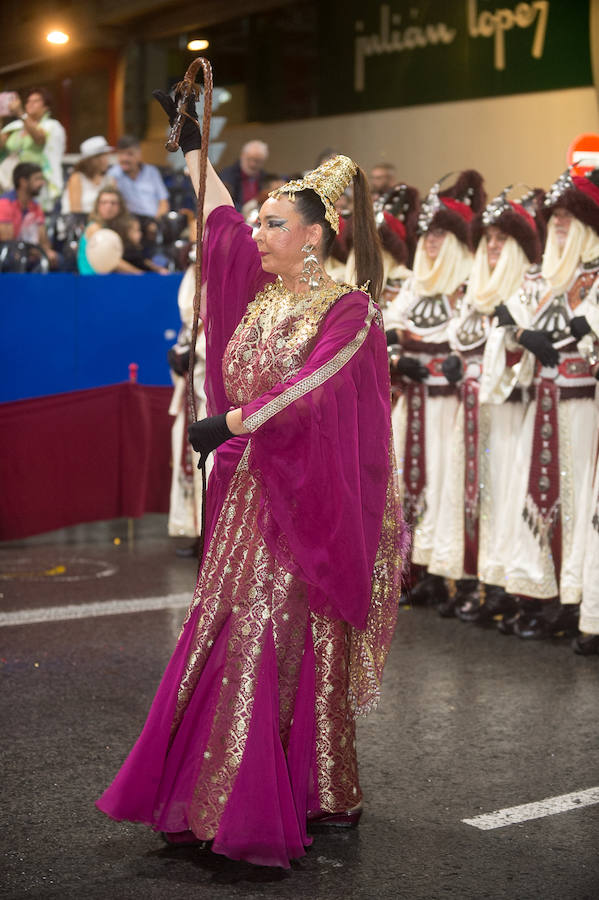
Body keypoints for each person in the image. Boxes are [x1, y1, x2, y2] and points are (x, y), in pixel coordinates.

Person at [96, 89, 408, 869]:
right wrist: (192, 149)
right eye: (261, 223)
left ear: (314, 235)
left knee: (286, 637)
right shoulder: (263, 294)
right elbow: (219, 220)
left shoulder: (348, 310)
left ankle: (310, 791)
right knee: (233, 631)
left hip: (307, 502)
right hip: (252, 499)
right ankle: (223, 794)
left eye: (274, 224)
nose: (257, 234)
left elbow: (317, 385)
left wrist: (231, 422)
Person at [426, 189, 543, 619]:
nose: (493, 246)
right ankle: (469, 578)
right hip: (471, 410)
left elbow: (529, 353)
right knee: (465, 492)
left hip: (508, 413)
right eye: (488, 238)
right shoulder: (473, 291)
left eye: (501, 239)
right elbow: (460, 343)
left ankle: (501, 583)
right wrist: (456, 364)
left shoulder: (530, 288)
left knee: (502, 492)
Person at [499, 170, 599, 639]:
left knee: (577, 498)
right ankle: (543, 593)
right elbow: (506, 324)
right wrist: (522, 335)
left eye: (567, 216)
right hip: (542, 403)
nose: (558, 223)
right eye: (554, 216)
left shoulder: (594, 275)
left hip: (583, 407)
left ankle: (576, 599)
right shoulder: (540, 277)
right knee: (538, 496)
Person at [385, 171, 485, 606]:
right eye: (426, 235)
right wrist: (396, 357)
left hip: (453, 407)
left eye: (440, 235)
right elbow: (387, 326)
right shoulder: (413, 285)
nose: (430, 243)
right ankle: (417, 570)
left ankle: (455, 575)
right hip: (414, 403)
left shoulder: (470, 287)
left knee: (450, 485)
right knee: (408, 485)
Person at [167, 259, 211, 555]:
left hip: (208, 402)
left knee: (208, 463)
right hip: (190, 397)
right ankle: (197, 531)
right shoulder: (190, 322)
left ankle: (209, 533)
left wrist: (195, 355)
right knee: (190, 461)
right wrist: (179, 356)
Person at [0, 87, 65, 212]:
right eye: (28, 101)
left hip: (36, 185)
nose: (30, 104)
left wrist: (21, 114)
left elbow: (39, 139)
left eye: (36, 101)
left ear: (46, 107)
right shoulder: (15, 127)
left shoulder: (52, 126)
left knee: (34, 216)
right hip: (9, 183)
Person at [0, 162, 59, 267]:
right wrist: (34, 250)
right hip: (8, 251)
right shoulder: (5, 203)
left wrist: (47, 251)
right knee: (16, 258)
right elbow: (6, 239)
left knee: (57, 260)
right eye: (37, 179)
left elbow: (43, 240)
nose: (42, 183)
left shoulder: (36, 206)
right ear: (23, 182)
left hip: (30, 251)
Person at [77, 187, 143, 275]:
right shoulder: (94, 228)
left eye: (113, 203)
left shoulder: (117, 228)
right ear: (97, 206)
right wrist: (139, 274)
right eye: (104, 202)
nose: (108, 206)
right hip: (92, 278)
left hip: (111, 276)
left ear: (120, 207)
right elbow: (110, 259)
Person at [107, 135, 169, 220]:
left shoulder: (152, 172)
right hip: (128, 222)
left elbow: (163, 202)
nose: (124, 158)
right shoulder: (113, 174)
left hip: (153, 220)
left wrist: (156, 222)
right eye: (121, 153)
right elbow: (111, 202)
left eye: (130, 154)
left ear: (139, 155)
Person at [61, 136, 114, 214]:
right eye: (104, 156)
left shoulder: (109, 179)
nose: (107, 160)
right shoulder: (77, 178)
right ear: (93, 160)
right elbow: (75, 211)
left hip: (102, 220)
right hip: (79, 220)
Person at [219, 139, 269, 212]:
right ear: (242, 156)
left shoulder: (265, 178)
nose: (253, 164)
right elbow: (225, 202)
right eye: (249, 159)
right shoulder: (227, 176)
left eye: (258, 161)